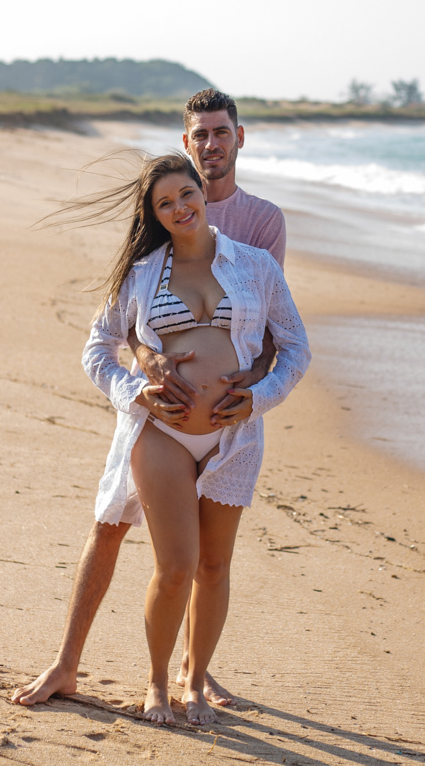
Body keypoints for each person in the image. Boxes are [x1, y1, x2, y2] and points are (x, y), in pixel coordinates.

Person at [13, 90, 288, 709]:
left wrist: (252, 391)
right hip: (156, 418)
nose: (212, 144)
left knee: (205, 562)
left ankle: (194, 672)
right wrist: (143, 365)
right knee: (111, 528)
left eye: (222, 133)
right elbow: (128, 328)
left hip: (229, 424)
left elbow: (270, 329)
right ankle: (67, 663)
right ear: (186, 145)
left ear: (238, 139)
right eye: (200, 135)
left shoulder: (260, 228)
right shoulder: (158, 221)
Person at [82, 152, 307, 723]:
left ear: (203, 196)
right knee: (176, 564)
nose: (179, 207)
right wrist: (135, 392)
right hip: (162, 433)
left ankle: (195, 684)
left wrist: (258, 398)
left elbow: (296, 348)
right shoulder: (140, 274)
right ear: (155, 215)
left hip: (235, 438)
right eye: (165, 203)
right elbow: (96, 349)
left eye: (186, 195)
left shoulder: (256, 266)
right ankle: (157, 682)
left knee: (214, 568)